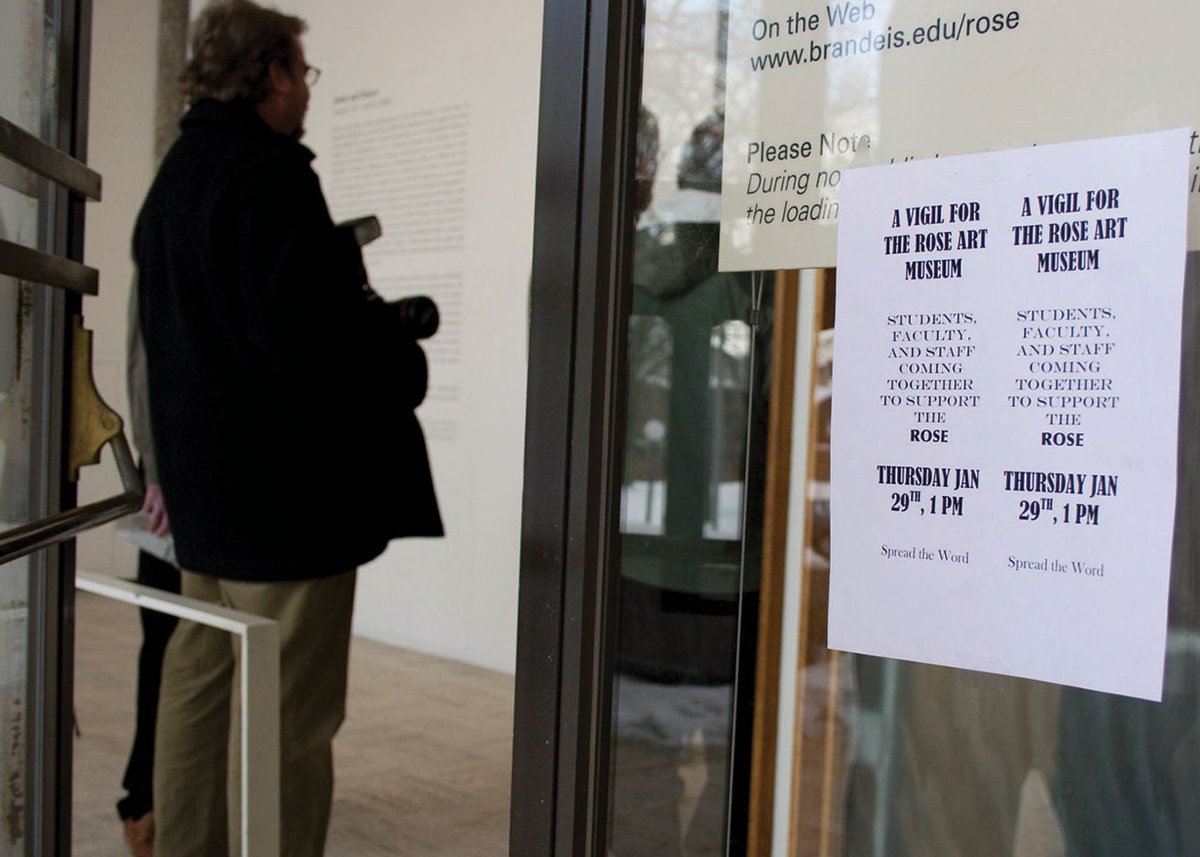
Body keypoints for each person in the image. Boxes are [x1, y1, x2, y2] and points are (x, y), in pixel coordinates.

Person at [133, 1, 443, 854]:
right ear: (271, 72)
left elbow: (162, 340)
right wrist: (397, 358)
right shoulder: (270, 176)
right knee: (288, 722)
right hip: (285, 511)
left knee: (198, 690)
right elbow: (310, 346)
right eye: (302, 73)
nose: (306, 90)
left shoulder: (177, 178)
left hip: (206, 508)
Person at [115, 279, 180, 857]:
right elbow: (143, 357)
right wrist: (155, 468)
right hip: (177, 478)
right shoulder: (169, 220)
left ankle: (155, 801)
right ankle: (144, 804)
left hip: (198, 472)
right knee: (165, 644)